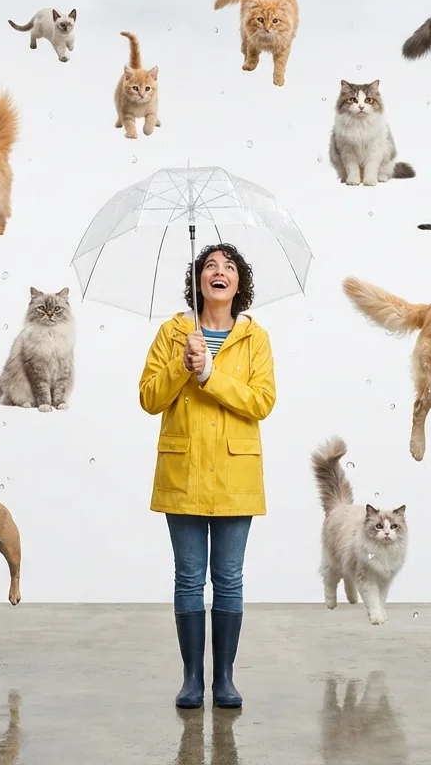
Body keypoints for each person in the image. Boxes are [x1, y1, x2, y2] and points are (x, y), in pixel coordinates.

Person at [137, 242, 277, 710]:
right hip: (184, 471)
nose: (219, 271)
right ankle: (192, 679)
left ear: (240, 283)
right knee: (189, 578)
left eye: (230, 267)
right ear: (198, 281)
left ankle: (225, 680)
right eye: (210, 265)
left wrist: (211, 373)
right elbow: (149, 398)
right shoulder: (172, 333)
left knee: (229, 578)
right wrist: (183, 367)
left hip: (236, 475)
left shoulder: (255, 339)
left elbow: (262, 401)